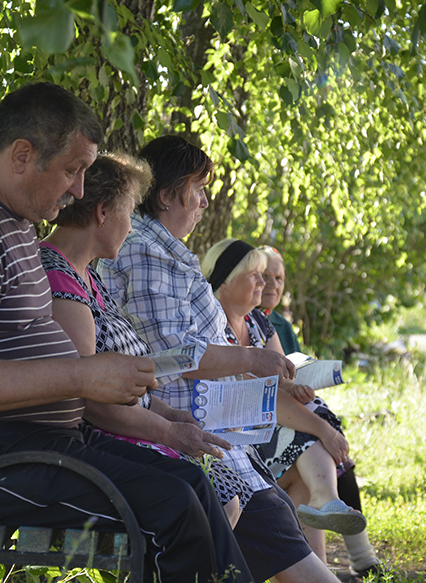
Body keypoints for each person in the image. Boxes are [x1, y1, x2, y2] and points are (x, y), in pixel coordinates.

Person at [0, 83, 253, 583]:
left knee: (186, 484)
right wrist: (81, 377)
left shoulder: (10, 217)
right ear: (22, 155)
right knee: (171, 507)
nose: (80, 192)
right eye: (73, 170)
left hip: (8, 443)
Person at [99, 135, 341, 583]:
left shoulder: (165, 251)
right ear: (168, 194)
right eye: (198, 188)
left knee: (280, 521)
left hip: (214, 438)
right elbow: (170, 357)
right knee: (286, 545)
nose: (206, 201)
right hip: (189, 440)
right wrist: (250, 359)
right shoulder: (145, 253)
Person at [39, 152, 252, 525]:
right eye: (129, 212)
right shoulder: (59, 278)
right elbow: (89, 401)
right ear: (103, 214)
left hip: (123, 432)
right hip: (89, 448)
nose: (132, 226)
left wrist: (171, 416)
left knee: (224, 490)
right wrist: (169, 431)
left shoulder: (89, 278)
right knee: (207, 495)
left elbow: (120, 381)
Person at [202, 238, 366, 565]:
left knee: (305, 459)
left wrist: (298, 388)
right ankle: (329, 513)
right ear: (225, 280)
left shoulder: (258, 322)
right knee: (309, 438)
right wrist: (324, 429)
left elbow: (284, 380)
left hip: (271, 432)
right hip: (240, 439)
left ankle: (320, 531)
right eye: (256, 276)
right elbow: (262, 399)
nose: (264, 284)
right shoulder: (213, 327)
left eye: (269, 277)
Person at [259, 245, 386, 579]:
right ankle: (357, 549)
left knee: (327, 440)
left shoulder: (279, 325)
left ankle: (334, 546)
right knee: (323, 437)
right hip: (269, 420)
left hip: (290, 411)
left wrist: (300, 384)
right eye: (264, 277)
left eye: (279, 278)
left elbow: (292, 366)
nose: (272, 285)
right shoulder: (239, 322)